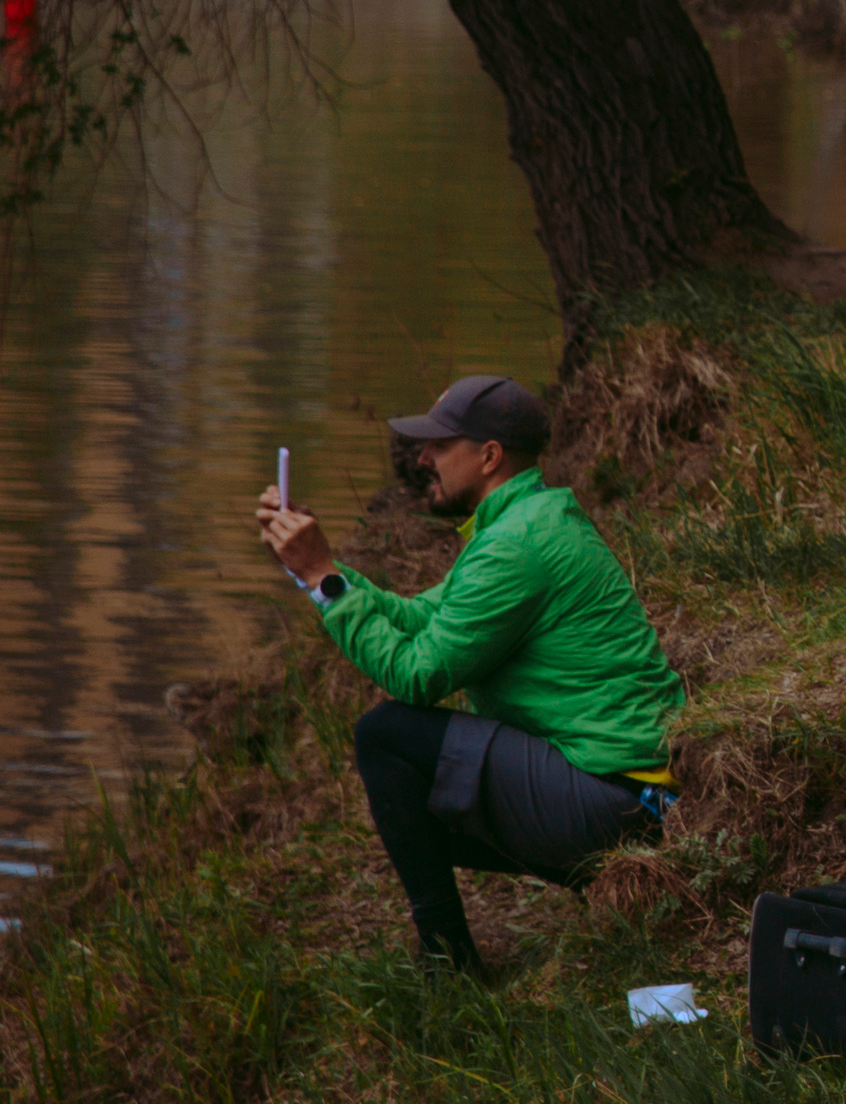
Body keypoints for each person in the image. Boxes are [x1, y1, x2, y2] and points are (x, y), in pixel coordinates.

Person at [253, 375, 686, 979]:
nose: (423, 457)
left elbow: (416, 673)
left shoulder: (519, 546)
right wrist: (317, 570)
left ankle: (449, 968)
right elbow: (415, 617)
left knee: (388, 737)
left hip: (619, 804)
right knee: (410, 800)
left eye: (440, 443)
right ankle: (449, 963)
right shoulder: (523, 525)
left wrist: (324, 576)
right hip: (621, 794)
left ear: (489, 456)